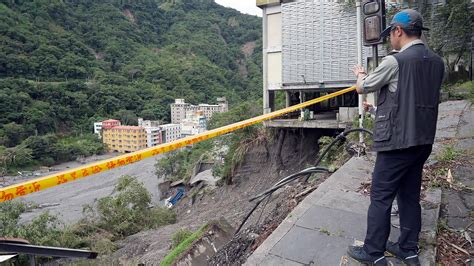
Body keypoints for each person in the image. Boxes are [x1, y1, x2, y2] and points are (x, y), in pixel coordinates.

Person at [347, 9, 445, 266]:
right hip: (423, 140)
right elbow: (412, 98)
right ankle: (408, 249)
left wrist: (359, 74)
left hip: (397, 141)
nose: (390, 39)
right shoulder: (437, 62)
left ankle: (373, 252)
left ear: (398, 31)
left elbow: (362, 88)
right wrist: (379, 108)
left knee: (380, 196)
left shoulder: (395, 61)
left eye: (390, 33)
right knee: (410, 195)